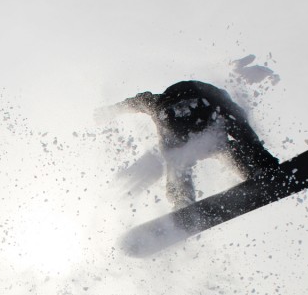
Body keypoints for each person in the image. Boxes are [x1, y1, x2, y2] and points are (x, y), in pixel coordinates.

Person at [98, 80, 280, 209]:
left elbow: (140, 101)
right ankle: (258, 170)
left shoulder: (159, 105)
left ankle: (181, 198)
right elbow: (241, 127)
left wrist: (112, 110)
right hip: (202, 101)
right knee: (229, 145)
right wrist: (264, 160)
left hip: (169, 108)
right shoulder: (217, 116)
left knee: (175, 157)